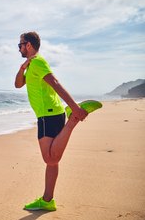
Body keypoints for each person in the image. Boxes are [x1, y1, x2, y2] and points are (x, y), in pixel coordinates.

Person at [15, 31, 88, 211]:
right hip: (48, 113)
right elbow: (17, 84)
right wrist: (22, 68)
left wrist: (75, 106)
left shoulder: (38, 62)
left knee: (49, 158)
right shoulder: (31, 65)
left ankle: (73, 120)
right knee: (52, 161)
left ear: (29, 45)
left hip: (48, 114)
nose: (19, 48)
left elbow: (54, 82)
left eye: (20, 45)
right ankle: (48, 200)